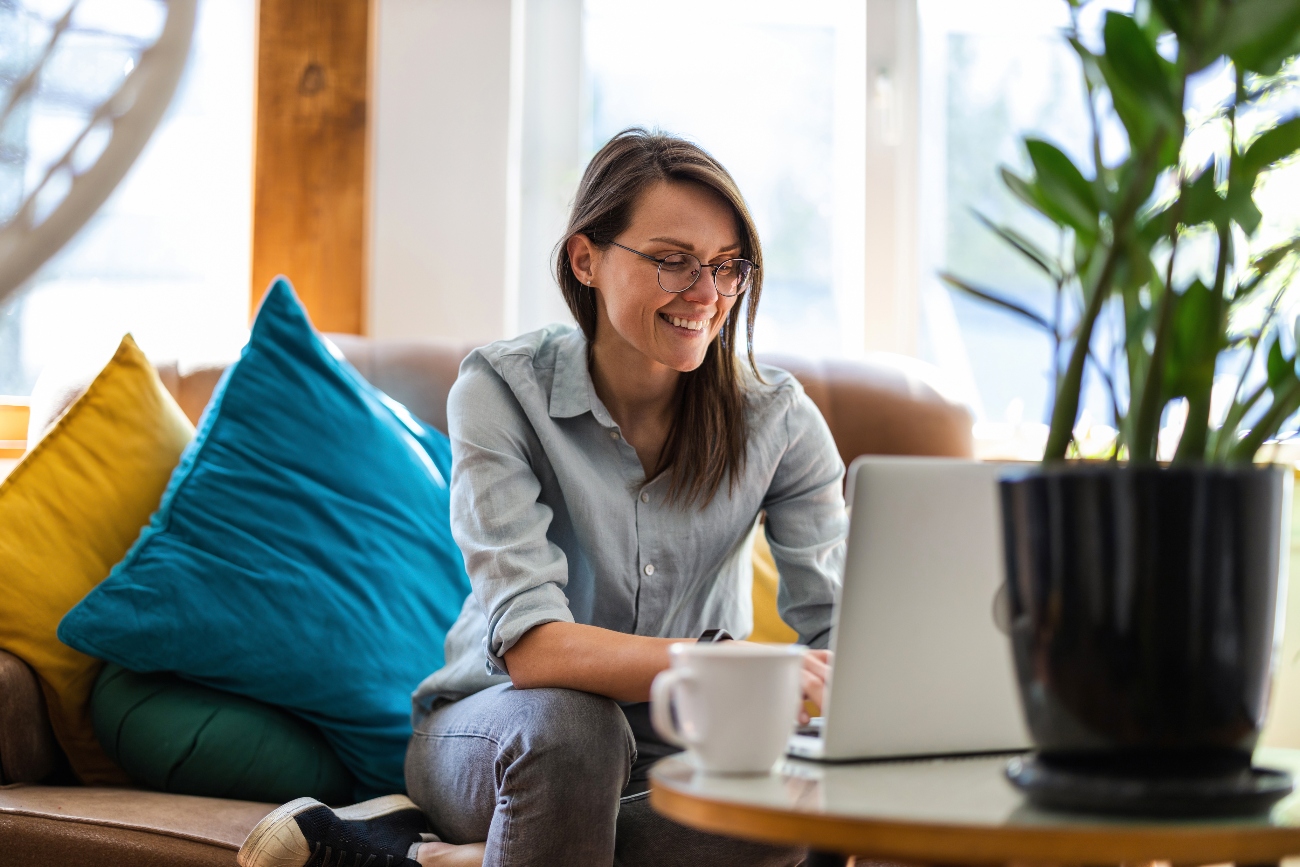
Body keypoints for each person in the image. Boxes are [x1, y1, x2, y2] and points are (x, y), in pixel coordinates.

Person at [238, 129, 847, 867]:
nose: (707, 295)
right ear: (585, 258)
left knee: (803, 807)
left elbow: (841, 629)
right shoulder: (500, 390)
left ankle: (441, 854)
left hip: (685, 748)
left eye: (726, 268)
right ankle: (500, 832)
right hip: (500, 728)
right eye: (673, 262)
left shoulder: (777, 420)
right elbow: (534, 647)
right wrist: (719, 663)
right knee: (577, 730)